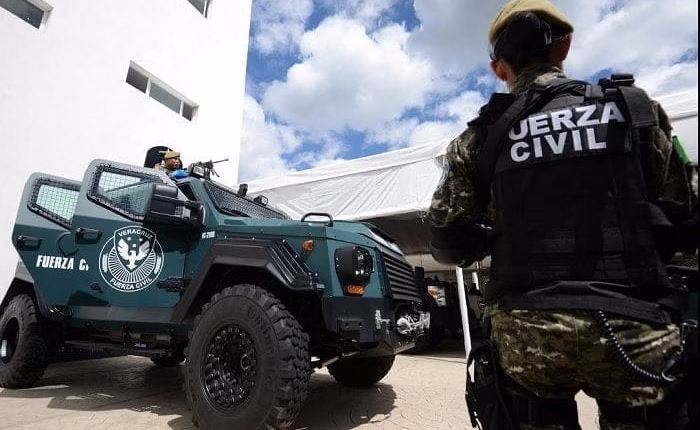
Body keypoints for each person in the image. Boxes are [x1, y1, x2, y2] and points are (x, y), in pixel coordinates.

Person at [428, 0, 697, 429]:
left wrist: (494, 237)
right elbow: (684, 215)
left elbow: (446, 240)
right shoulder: (634, 109)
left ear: (499, 68)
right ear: (565, 46)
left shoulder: (478, 139)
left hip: (527, 334)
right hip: (634, 327)